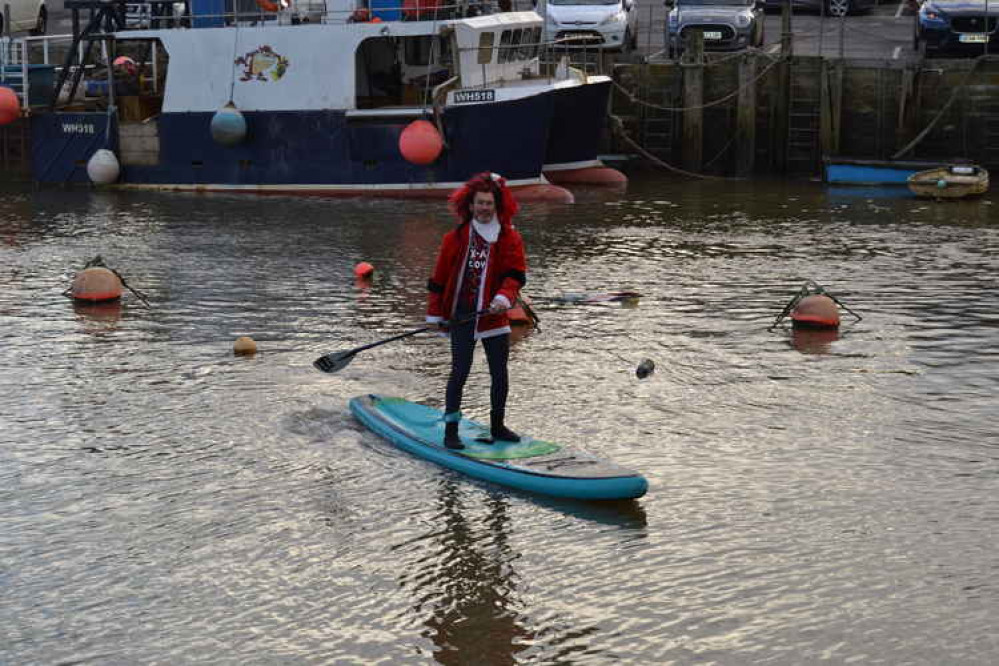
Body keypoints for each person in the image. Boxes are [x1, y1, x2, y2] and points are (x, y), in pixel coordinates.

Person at [427, 172, 527, 450]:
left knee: (500, 372)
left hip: (494, 313)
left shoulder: (509, 238)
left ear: (497, 206)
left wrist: (504, 298)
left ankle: (497, 426)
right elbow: (439, 278)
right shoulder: (455, 238)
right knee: (459, 372)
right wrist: (435, 314)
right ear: (470, 206)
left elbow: (515, 275)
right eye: (480, 203)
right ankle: (451, 430)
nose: (484, 208)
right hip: (461, 314)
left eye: (489, 204)